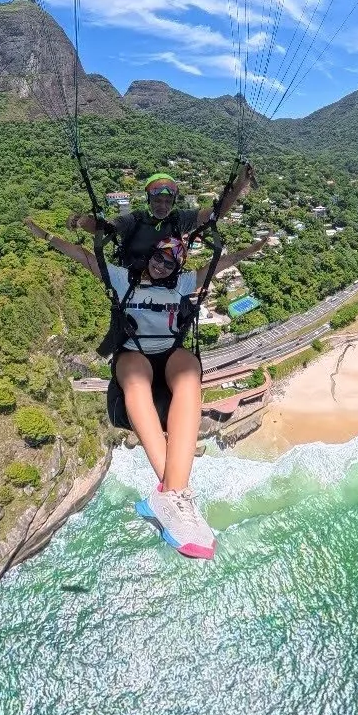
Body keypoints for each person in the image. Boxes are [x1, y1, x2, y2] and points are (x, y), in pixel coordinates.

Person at [85, 163, 251, 558]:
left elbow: (215, 217)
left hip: (168, 305)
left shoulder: (181, 221)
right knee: (138, 378)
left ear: (173, 199)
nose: (161, 202)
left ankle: (171, 497)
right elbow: (103, 231)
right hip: (133, 292)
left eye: (167, 196)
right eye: (156, 196)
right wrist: (82, 224)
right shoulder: (134, 221)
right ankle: (178, 498)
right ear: (148, 198)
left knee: (187, 374)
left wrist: (237, 189)